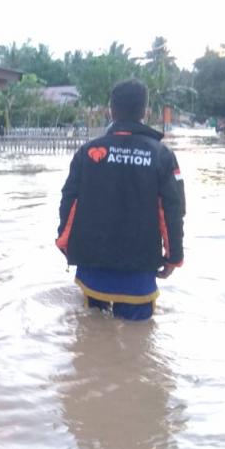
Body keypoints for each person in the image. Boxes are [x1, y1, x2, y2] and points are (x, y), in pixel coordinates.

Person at [56, 79, 185, 321]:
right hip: (139, 268)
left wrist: (66, 244)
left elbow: (69, 202)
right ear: (146, 112)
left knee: (92, 338)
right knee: (138, 346)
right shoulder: (162, 155)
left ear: (110, 111)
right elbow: (173, 210)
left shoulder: (87, 152)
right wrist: (174, 256)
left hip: (94, 266)